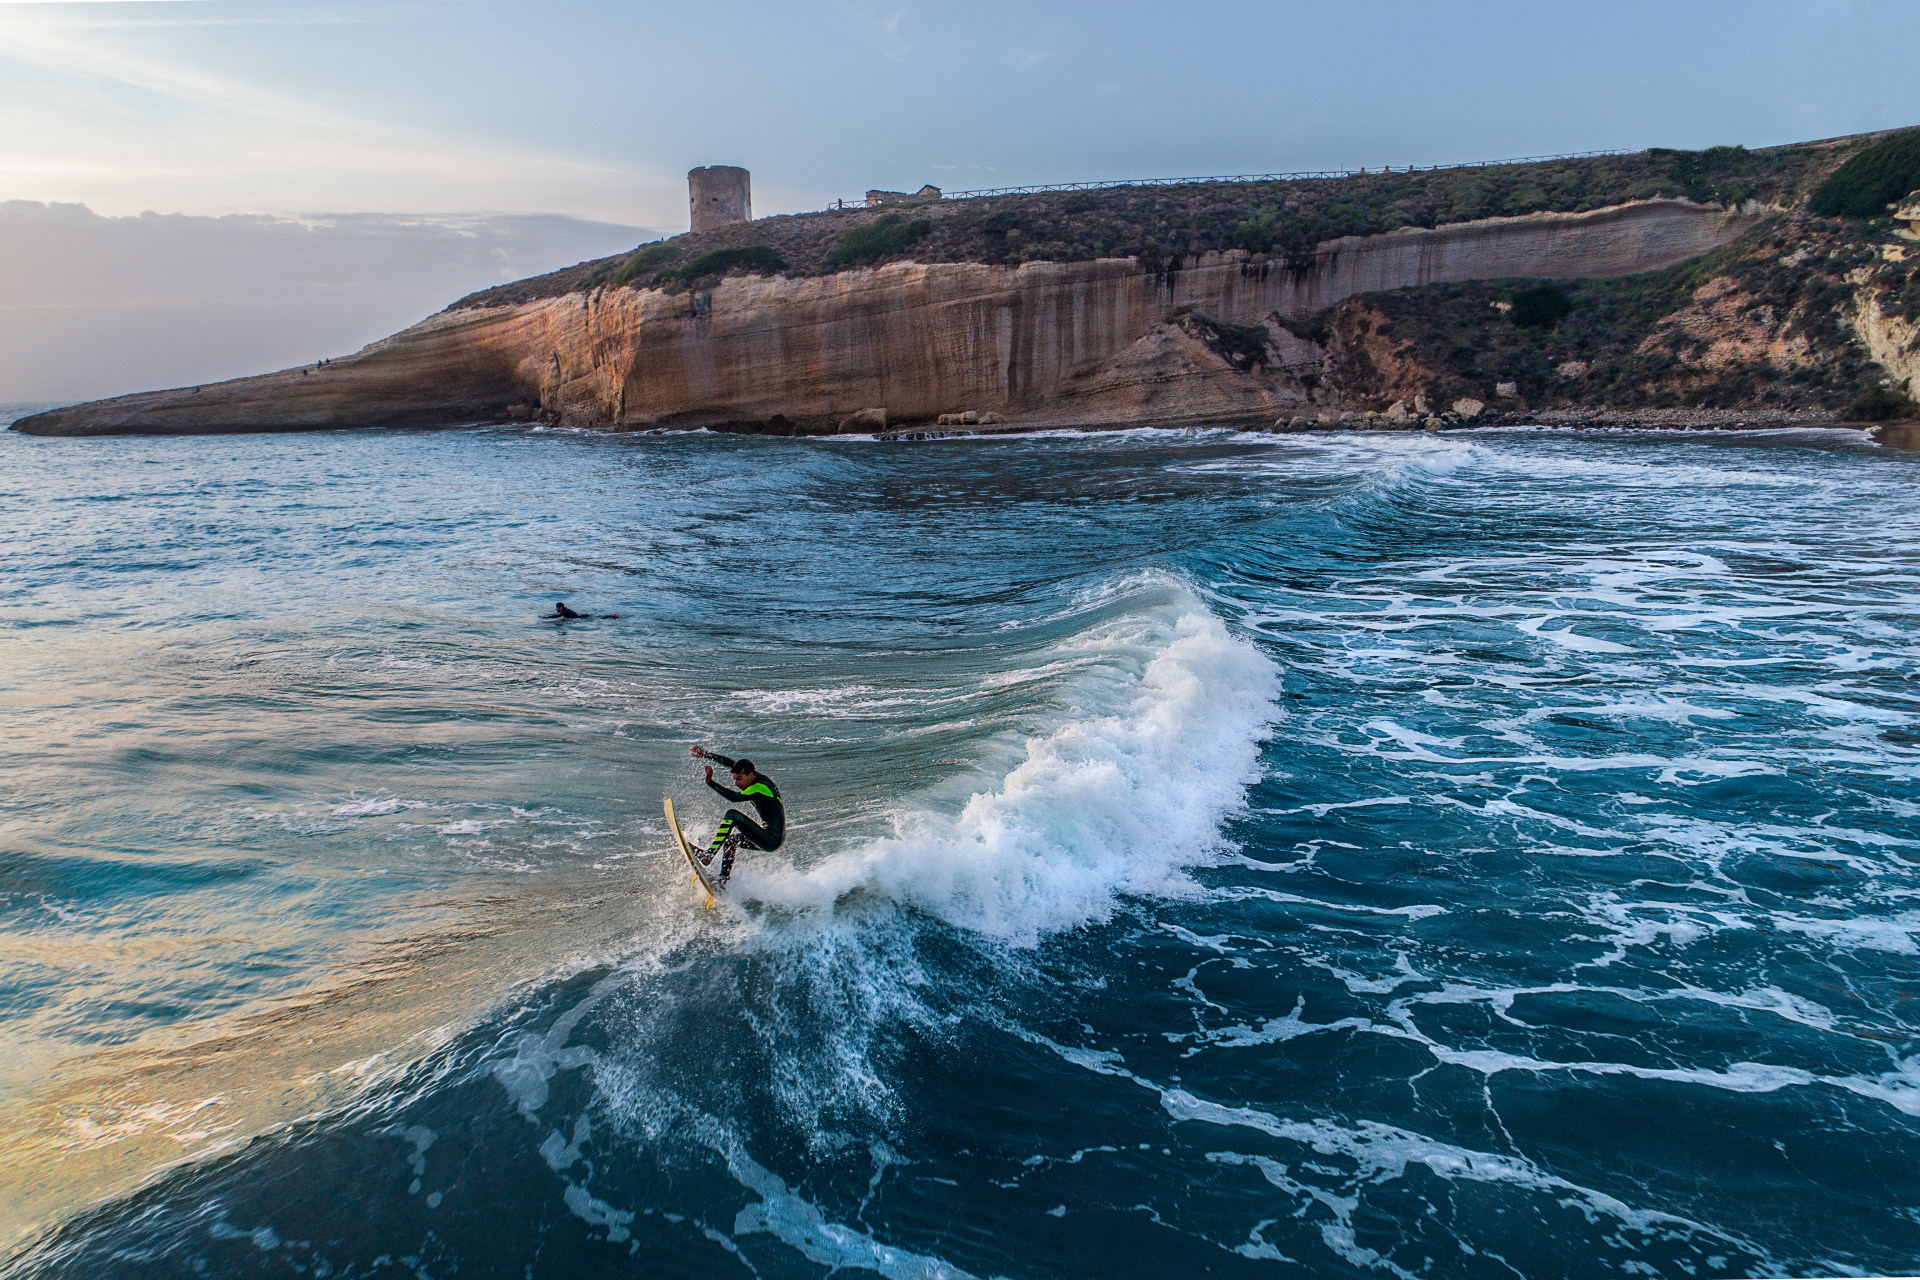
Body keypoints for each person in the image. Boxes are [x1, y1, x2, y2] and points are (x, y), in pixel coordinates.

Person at [688, 745, 783, 882]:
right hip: (773, 839)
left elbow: (734, 797)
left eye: (739, 779)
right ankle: (723, 880)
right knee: (731, 841)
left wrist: (710, 782)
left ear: (750, 775)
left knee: (732, 815)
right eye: (734, 779)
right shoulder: (755, 777)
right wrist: (706, 754)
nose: (736, 783)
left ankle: (708, 855)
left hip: (770, 839)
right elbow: (731, 764)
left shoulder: (759, 788)